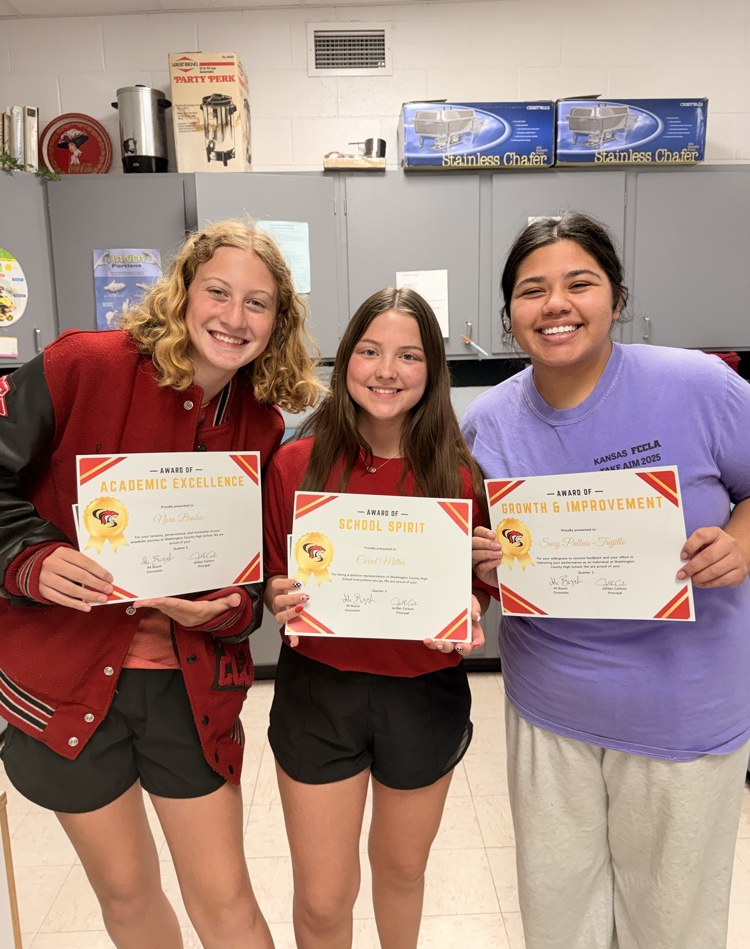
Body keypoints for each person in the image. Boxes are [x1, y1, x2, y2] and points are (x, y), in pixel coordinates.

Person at [0, 219, 321, 949]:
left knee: (225, 900)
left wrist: (223, 608)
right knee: (126, 893)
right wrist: (32, 560)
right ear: (182, 292)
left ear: (278, 323)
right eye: (218, 291)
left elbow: (250, 587)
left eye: (257, 304)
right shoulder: (82, 366)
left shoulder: (262, 425)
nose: (233, 318)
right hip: (68, 684)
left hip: (186, 689)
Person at [462, 211, 750, 949]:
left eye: (578, 283)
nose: (555, 304)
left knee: (674, 922)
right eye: (532, 290)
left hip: (683, 713)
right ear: (510, 315)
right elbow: (476, 549)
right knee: (560, 919)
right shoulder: (489, 421)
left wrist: (742, 541)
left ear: (616, 298)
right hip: (550, 710)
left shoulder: (696, 384)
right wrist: (480, 559)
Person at [263, 287, 488, 949]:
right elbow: (271, 579)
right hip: (319, 692)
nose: (387, 371)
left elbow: (480, 585)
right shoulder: (293, 467)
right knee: (325, 897)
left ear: (433, 369)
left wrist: (472, 606)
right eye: (370, 351)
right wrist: (275, 596)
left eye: (409, 356)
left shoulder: (459, 474)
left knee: (401, 872)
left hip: (423, 693)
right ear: (346, 359)